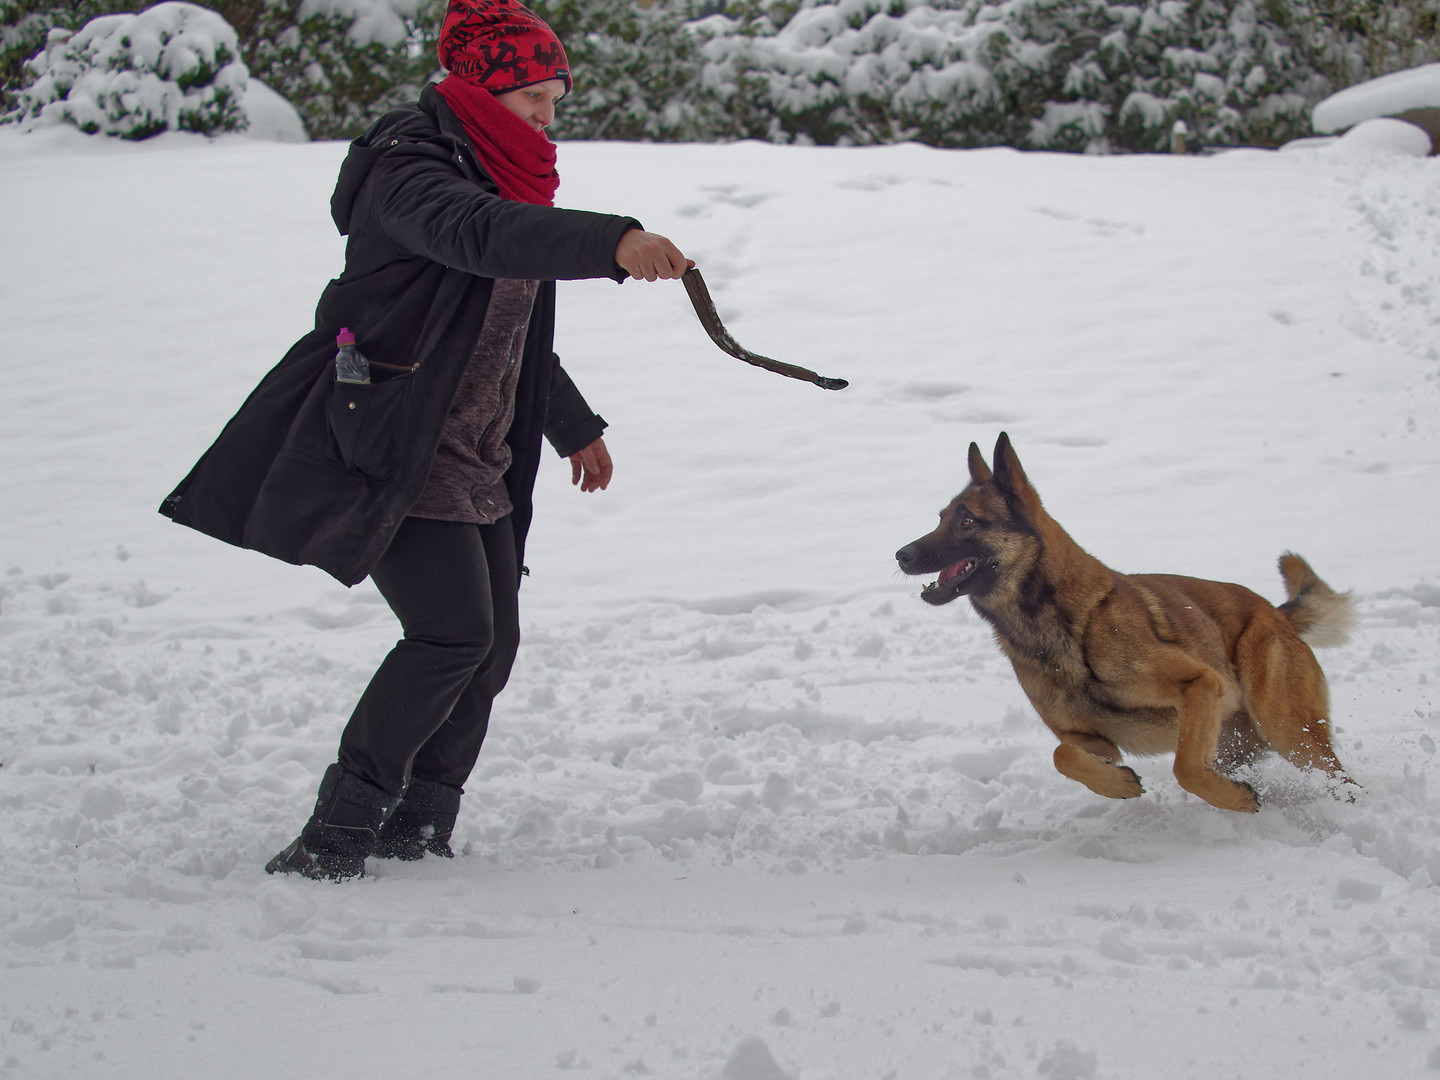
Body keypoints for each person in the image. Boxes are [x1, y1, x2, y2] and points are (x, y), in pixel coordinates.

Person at [158, 0, 692, 880]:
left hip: (477, 450)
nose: (549, 121)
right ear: (484, 91)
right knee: (450, 634)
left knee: (491, 643)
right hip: (392, 440)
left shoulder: (503, 178)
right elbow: (478, 238)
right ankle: (334, 835)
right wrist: (612, 242)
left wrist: (572, 424)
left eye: (557, 103)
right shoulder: (409, 166)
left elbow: (504, 331)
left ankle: (420, 825)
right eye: (535, 103)